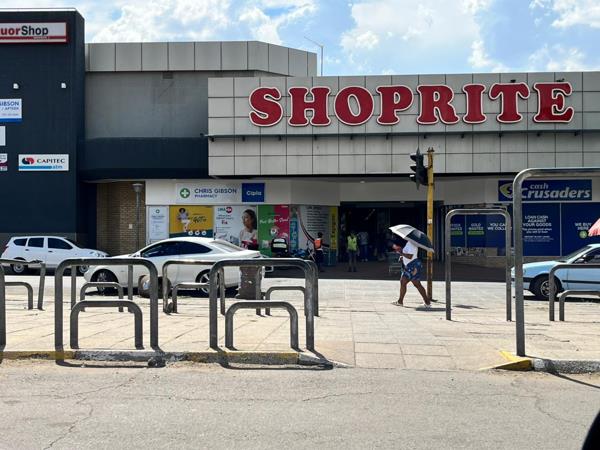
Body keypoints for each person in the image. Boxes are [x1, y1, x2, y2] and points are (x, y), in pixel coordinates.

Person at [394, 240, 431, 308]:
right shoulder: (409, 243)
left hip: (413, 266)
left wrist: (401, 253)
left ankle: (427, 302)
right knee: (404, 282)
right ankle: (400, 301)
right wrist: (403, 257)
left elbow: (410, 256)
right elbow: (409, 255)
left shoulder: (412, 244)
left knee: (416, 284)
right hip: (409, 266)